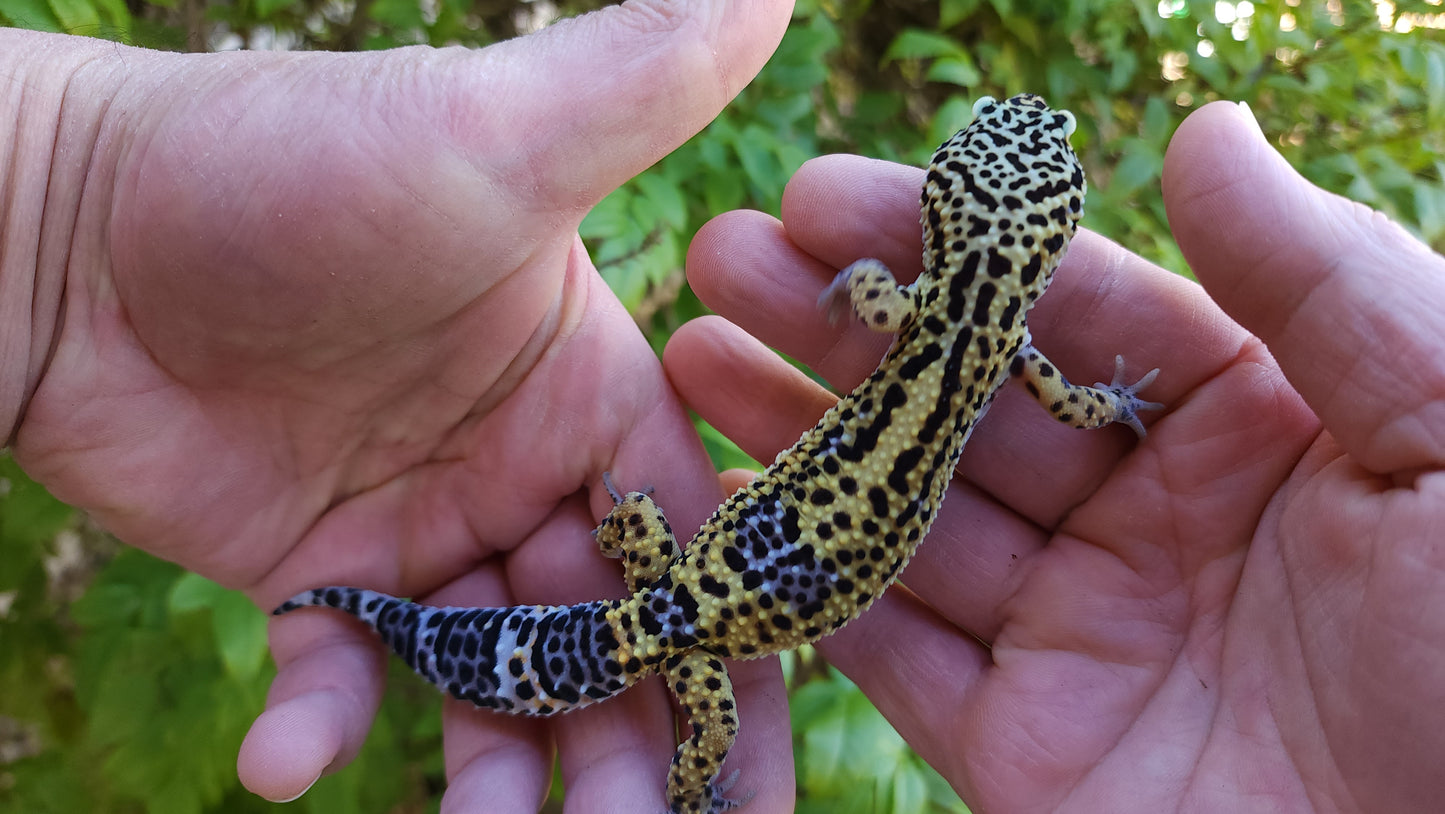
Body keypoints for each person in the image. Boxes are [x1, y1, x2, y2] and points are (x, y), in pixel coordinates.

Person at [2, 2, 1441, 812]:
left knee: (655, 651)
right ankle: (515, 668)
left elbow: (884, 311)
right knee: (682, 722)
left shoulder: (921, 306)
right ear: (1035, 237)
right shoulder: (1011, 347)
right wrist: (1114, 402)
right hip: (707, 594)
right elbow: (1074, 399)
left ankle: (456, 633)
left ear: (951, 217)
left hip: (698, 585)